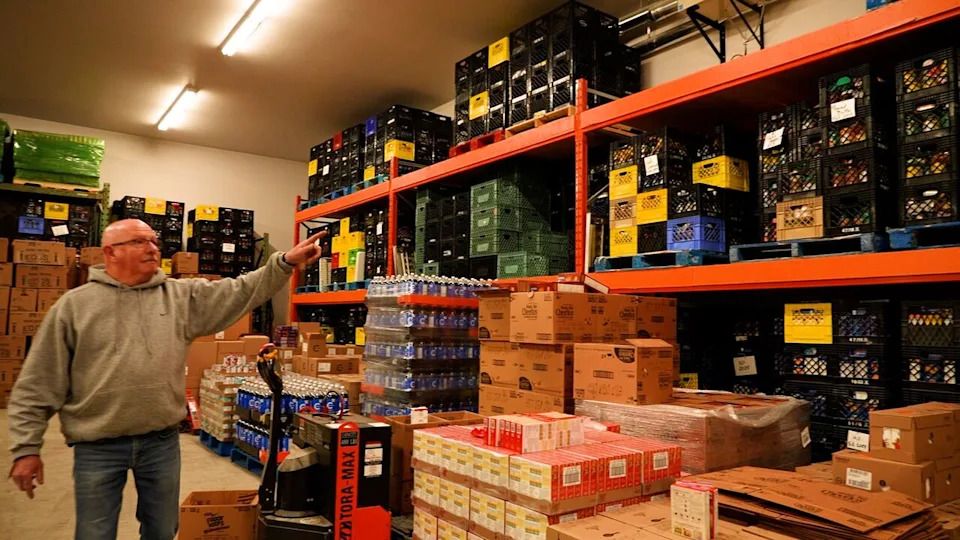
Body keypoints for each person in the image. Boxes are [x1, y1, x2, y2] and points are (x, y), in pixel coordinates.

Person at [7, 219, 324, 540]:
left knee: (162, 529)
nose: (152, 248)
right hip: (98, 446)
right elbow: (39, 381)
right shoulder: (74, 307)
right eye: (139, 242)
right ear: (110, 252)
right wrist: (26, 448)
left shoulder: (178, 297)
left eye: (153, 241)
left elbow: (238, 291)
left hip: (160, 443)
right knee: (94, 532)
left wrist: (284, 263)